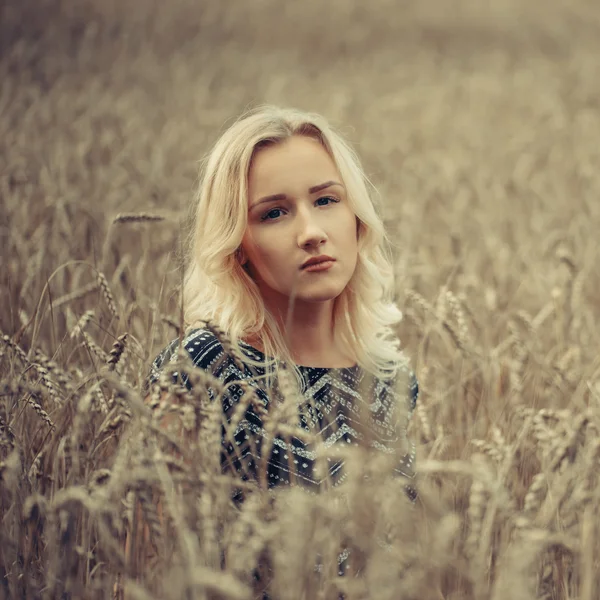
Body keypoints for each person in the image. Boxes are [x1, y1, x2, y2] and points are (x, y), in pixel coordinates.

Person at [136, 105, 418, 593]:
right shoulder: (202, 370)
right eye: (274, 213)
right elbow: (144, 568)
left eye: (327, 200)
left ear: (357, 218)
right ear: (238, 244)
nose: (311, 232)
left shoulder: (390, 380)